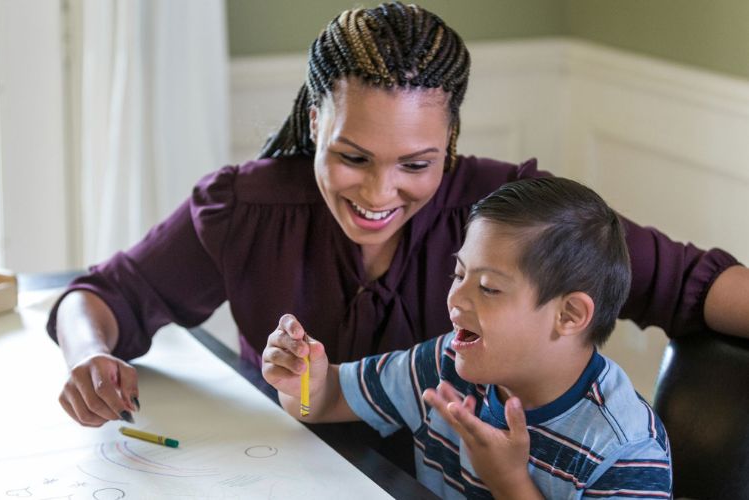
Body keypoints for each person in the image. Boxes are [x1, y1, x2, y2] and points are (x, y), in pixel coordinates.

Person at [47, 2, 746, 429]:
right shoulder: (244, 208)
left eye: (416, 164)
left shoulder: (518, 215)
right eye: (353, 157)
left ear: (451, 139)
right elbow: (103, 296)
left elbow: (691, 281)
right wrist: (92, 357)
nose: (380, 193)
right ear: (316, 120)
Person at [262, 176, 672, 498]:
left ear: (569, 314)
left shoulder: (626, 450)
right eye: (459, 274)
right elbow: (326, 399)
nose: (457, 296)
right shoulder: (444, 364)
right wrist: (303, 379)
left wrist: (508, 483)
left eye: (489, 287)